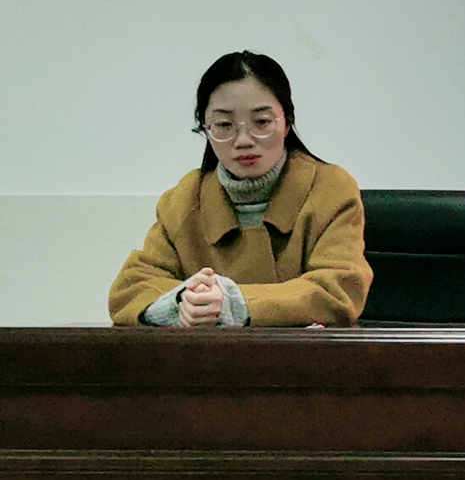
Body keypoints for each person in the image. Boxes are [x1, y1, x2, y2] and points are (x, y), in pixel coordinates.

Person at [109, 52, 372, 327]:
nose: (244, 140)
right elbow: (132, 288)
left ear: (287, 122)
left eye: (262, 122)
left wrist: (233, 302)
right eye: (224, 125)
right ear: (205, 128)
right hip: (208, 354)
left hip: (302, 353)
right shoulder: (184, 198)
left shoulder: (331, 188)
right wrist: (182, 301)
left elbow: (339, 288)